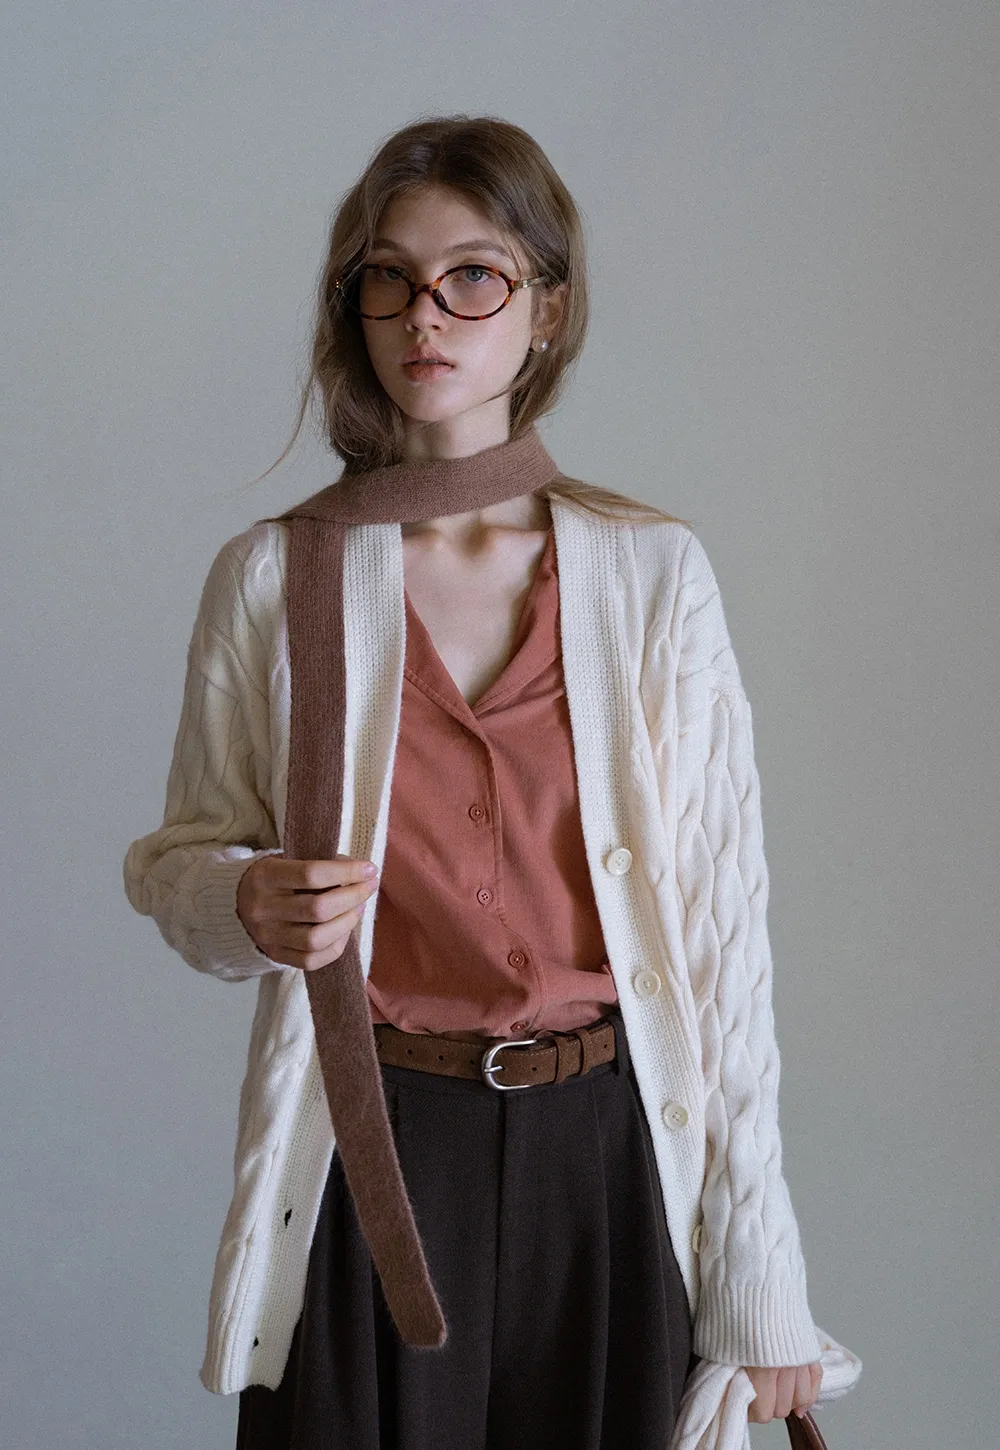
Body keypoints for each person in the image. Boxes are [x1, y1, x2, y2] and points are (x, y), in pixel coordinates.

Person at [123, 114, 831, 1449]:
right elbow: (179, 864)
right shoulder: (278, 575)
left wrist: (762, 1285)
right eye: (388, 279)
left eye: (473, 277)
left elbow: (723, 948)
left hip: (608, 1158)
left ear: (546, 309)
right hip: (371, 1149)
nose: (424, 315)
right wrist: (241, 901)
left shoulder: (652, 573)